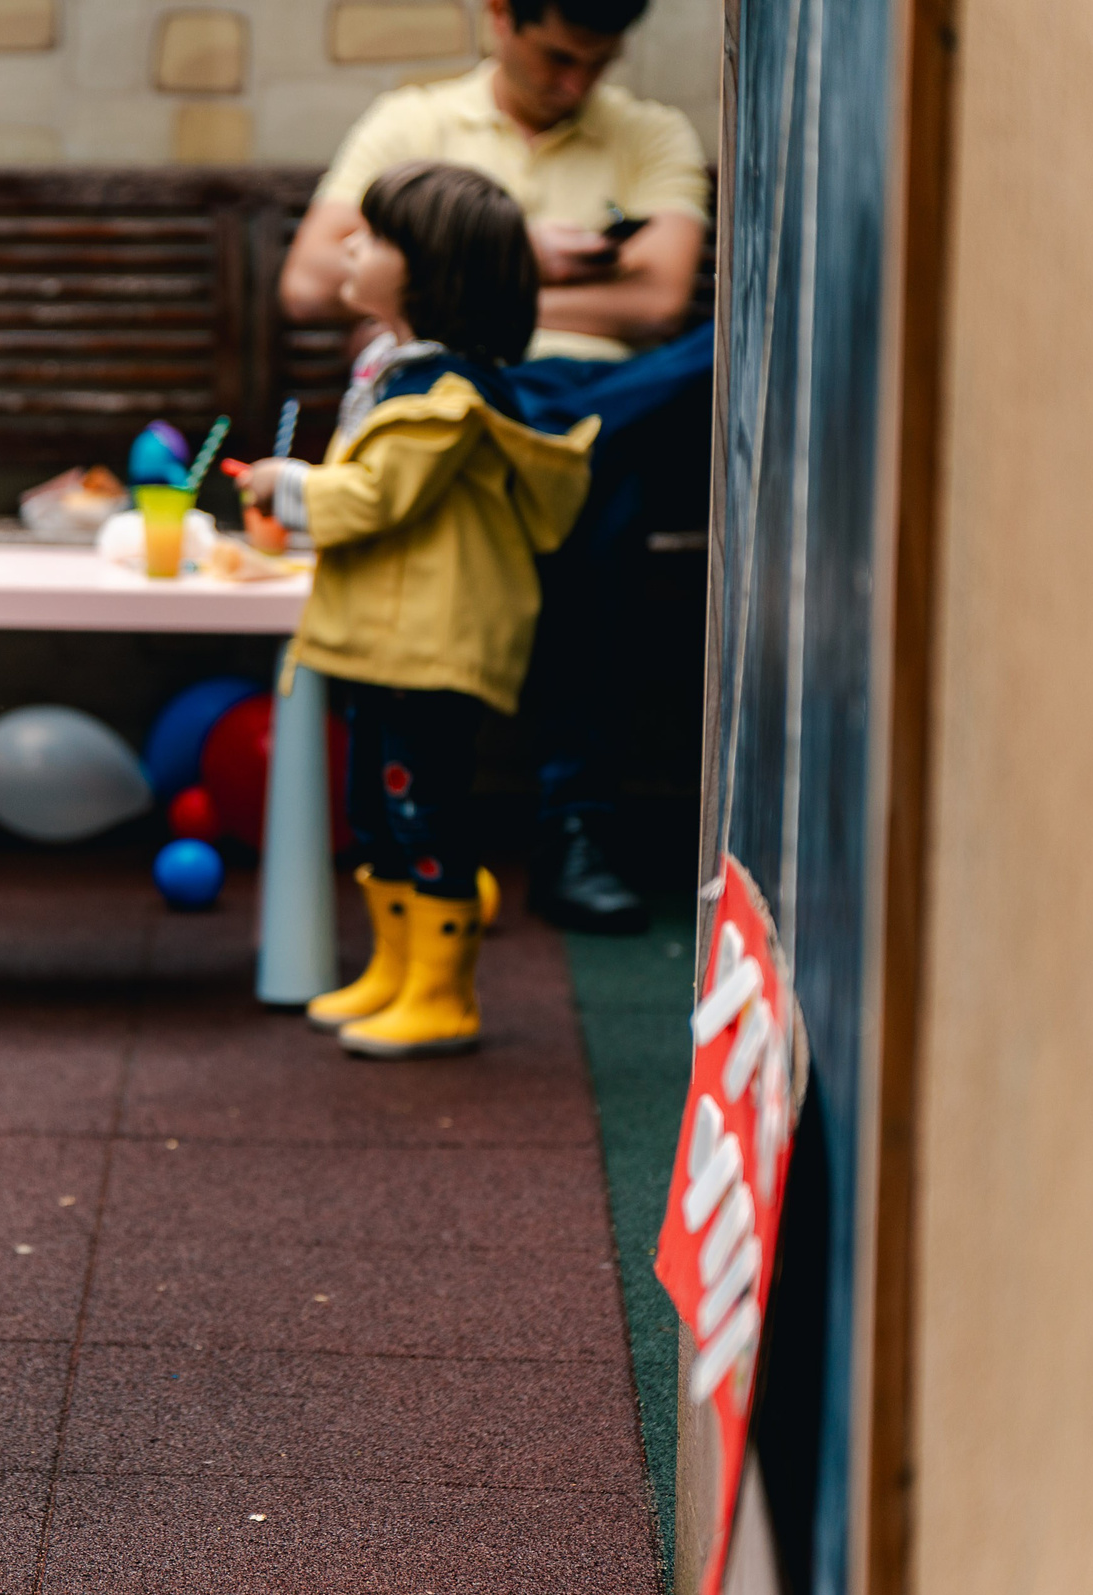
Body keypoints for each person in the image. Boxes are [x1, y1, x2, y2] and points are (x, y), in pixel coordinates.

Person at [280, 0, 712, 936]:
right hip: (468, 395)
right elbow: (311, 280)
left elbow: (661, 304)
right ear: (500, 17)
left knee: (714, 355)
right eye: (557, 57)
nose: (576, 83)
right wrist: (529, 257)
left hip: (600, 396)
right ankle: (576, 824)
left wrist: (475, 279)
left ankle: (534, 439)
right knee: (593, 477)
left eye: (598, 63)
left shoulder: (652, 134)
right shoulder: (412, 122)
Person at [244, 163, 596, 1059]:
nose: (349, 246)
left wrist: (288, 487)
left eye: (373, 238)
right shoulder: (396, 371)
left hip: (429, 641)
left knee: (422, 805)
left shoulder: (446, 394)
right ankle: (396, 966)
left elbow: (376, 497)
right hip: (387, 637)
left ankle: (442, 993)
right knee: (377, 804)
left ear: (429, 273)